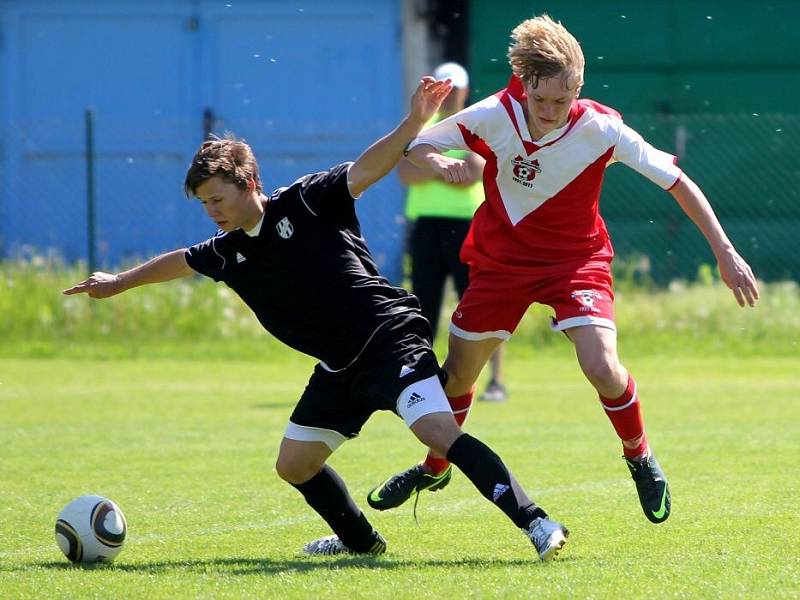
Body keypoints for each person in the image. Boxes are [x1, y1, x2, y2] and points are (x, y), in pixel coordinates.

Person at [63, 77, 570, 561]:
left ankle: (537, 522)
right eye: (204, 204)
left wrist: (413, 124)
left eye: (218, 199)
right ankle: (360, 542)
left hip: (387, 337)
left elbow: (368, 169)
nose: (212, 211)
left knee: (437, 431)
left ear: (249, 184)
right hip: (339, 367)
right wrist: (118, 283)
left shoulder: (307, 200)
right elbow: (179, 260)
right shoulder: (228, 252)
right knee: (295, 464)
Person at [367, 15, 759, 525]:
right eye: (541, 99)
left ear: (579, 87)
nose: (550, 111)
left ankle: (639, 454)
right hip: (502, 262)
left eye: (562, 99)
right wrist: (441, 165)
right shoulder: (494, 113)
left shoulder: (600, 128)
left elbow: (678, 181)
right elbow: (418, 145)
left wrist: (725, 252)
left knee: (602, 368)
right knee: (458, 374)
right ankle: (436, 465)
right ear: (524, 84)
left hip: (576, 262)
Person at [399, 62, 507, 404]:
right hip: (427, 225)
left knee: (480, 302)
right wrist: (446, 167)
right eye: (447, 88)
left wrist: (429, 163)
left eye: (457, 88)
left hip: (468, 226)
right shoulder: (421, 126)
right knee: (421, 305)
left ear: (464, 91)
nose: (451, 94)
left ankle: (495, 381)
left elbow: (476, 170)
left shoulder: (475, 124)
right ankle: (422, 379)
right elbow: (405, 173)